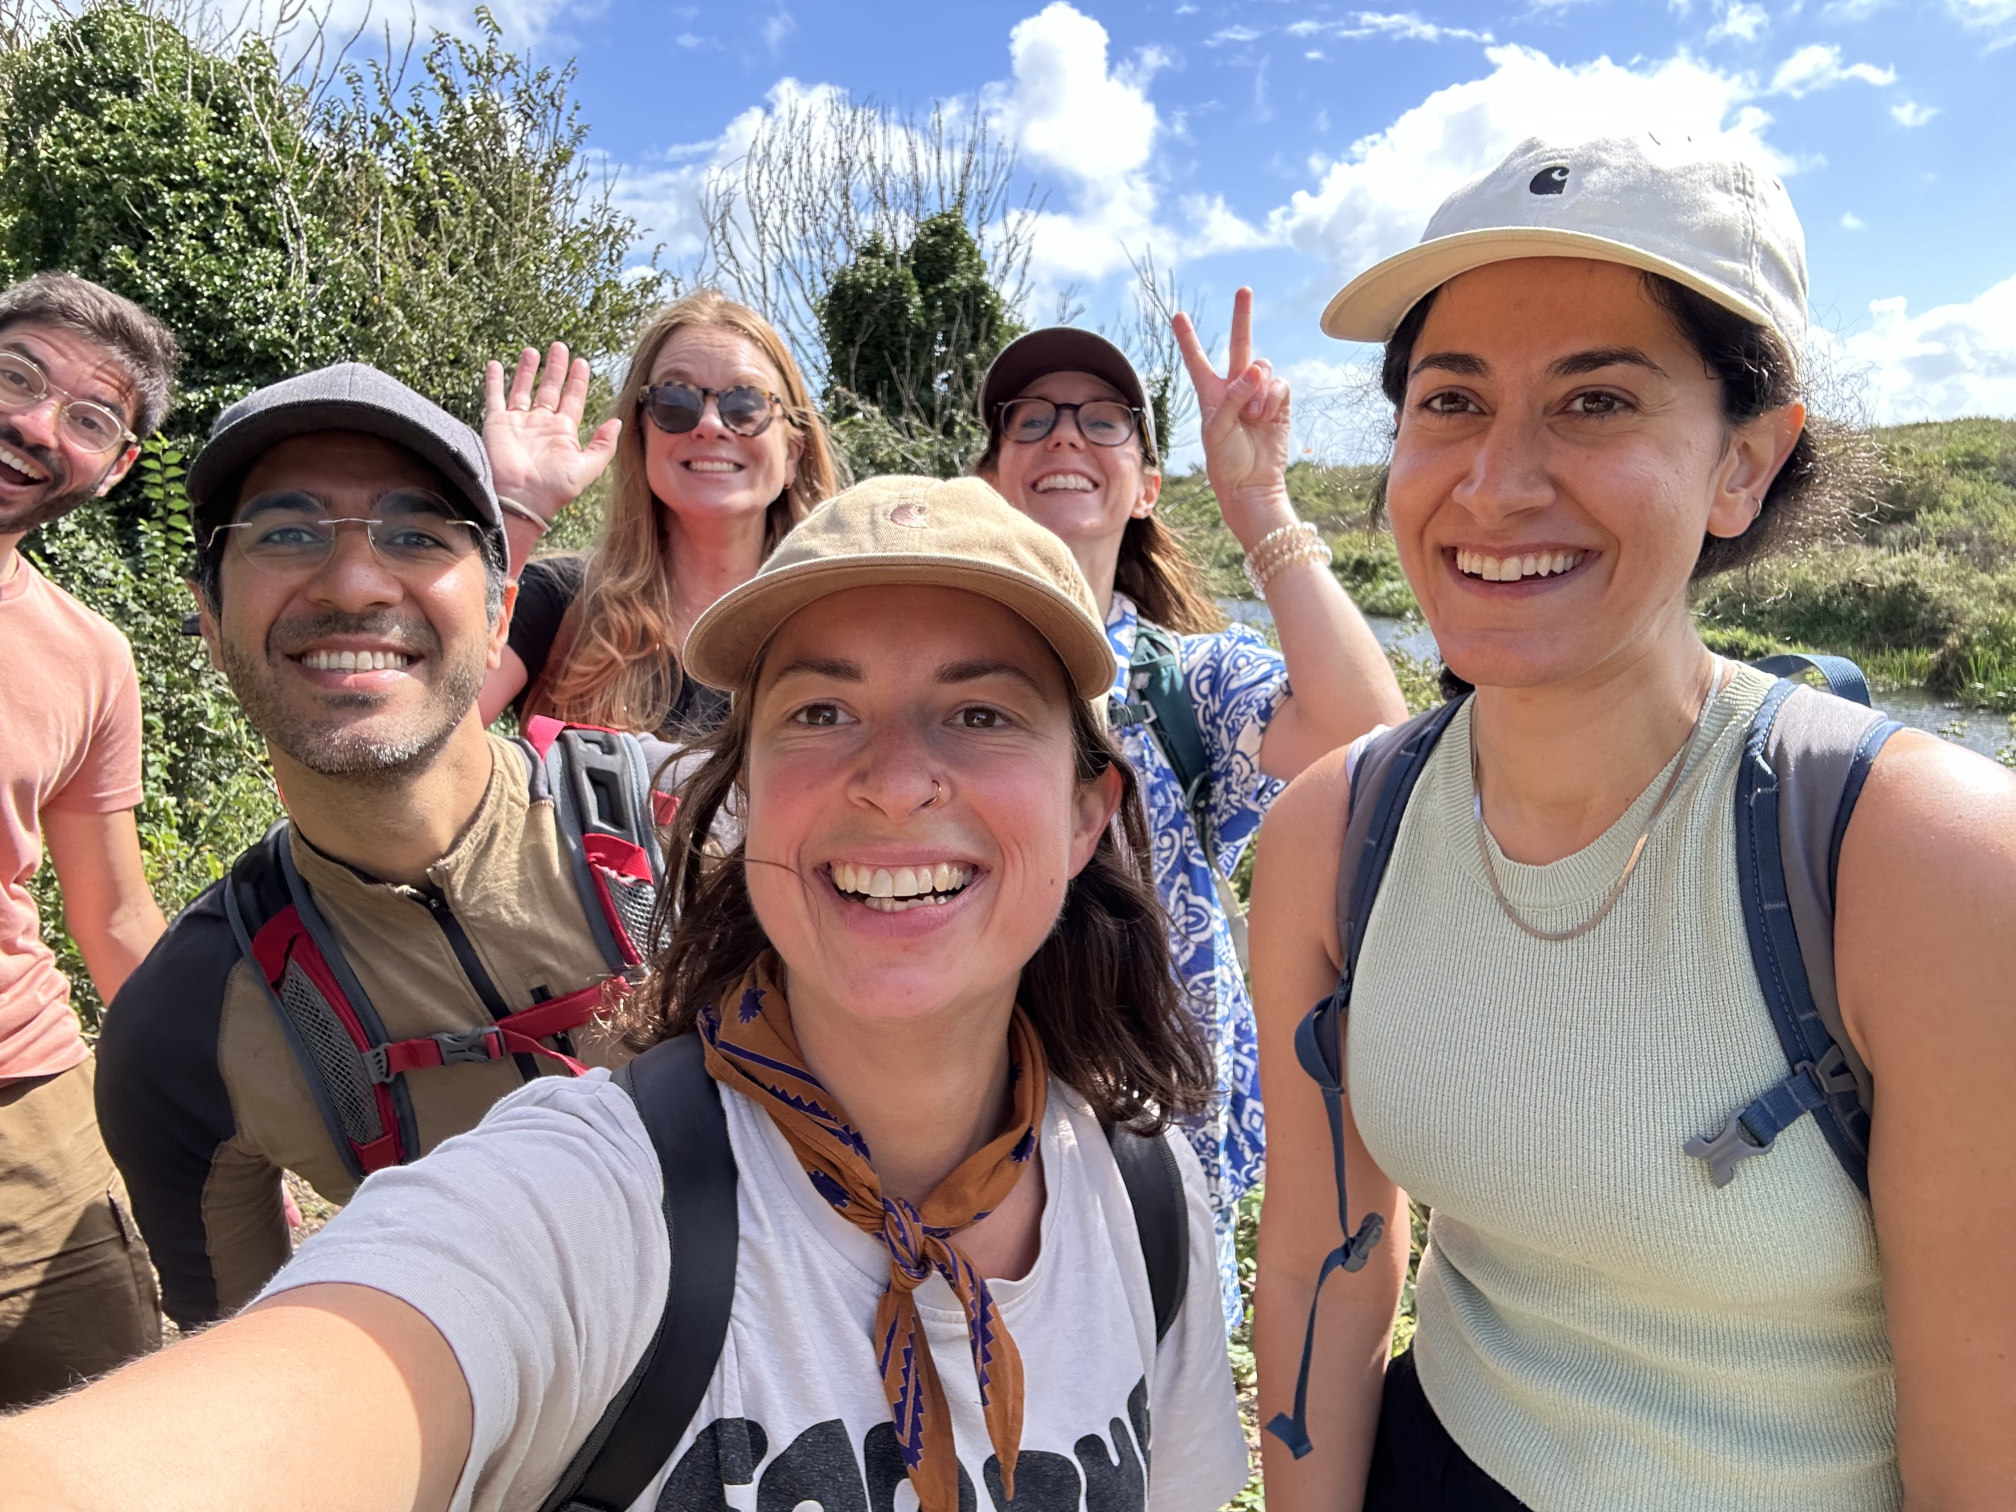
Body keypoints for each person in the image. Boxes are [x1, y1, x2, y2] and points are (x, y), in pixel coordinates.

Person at [0, 474, 1252, 1512]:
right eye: (821, 710)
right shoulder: (587, 1203)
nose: (895, 777)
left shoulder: (1146, 1203)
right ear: (741, 793)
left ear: (1093, 814)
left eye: (981, 711)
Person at [1251, 132, 2016, 1512]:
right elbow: (1327, 1259)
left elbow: (1985, 1457)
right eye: (1449, 401)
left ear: (1746, 464)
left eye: (1595, 402)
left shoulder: (1925, 869)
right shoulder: (1337, 836)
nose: (1495, 483)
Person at [95, 363, 677, 1331]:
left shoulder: (695, 826)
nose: (356, 582)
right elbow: (255, 1391)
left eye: (415, 535)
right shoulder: (186, 1030)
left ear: (499, 615)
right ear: (208, 617)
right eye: (286, 533)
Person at [975, 306, 1407, 1325]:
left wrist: (1258, 501)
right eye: (1029, 422)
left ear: (1144, 487)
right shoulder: (936, 668)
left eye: (1101, 419)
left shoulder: (1189, 679)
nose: (1065, 436)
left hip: (1154, 1157)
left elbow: (1364, 737)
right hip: (956, 1137)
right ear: (991, 482)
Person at [0, 272, 178, 1407]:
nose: (33, 424)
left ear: (115, 469)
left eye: (88, 418)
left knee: (115, 1401)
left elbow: (110, 915)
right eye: (16, 377)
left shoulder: (89, 655)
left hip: (19, 1094)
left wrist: (228, 1110)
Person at [478, 289, 840, 738]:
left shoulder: (847, 633)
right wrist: (520, 510)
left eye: (746, 404)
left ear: (792, 455)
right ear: (641, 437)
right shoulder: (556, 603)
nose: (709, 425)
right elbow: (424, 744)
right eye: (675, 401)